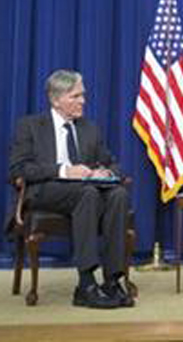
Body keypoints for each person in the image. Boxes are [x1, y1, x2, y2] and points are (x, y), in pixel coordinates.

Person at [8, 70, 133, 309]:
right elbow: (19, 169)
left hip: (86, 193)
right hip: (46, 191)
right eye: (76, 96)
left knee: (117, 194)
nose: (83, 101)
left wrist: (106, 173)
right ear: (56, 100)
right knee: (87, 193)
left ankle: (112, 280)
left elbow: (111, 161)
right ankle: (85, 284)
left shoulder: (89, 127)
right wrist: (65, 171)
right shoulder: (30, 126)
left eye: (83, 96)